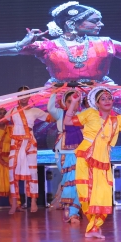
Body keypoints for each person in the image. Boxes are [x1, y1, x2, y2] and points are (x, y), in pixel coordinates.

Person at [64, 87, 121, 239]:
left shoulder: (117, 120)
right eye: (103, 99)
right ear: (97, 103)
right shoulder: (89, 113)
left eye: (109, 98)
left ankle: (94, 227)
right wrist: (73, 103)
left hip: (102, 159)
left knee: (102, 193)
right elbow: (68, 121)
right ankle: (92, 226)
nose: (107, 101)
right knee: (86, 193)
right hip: (85, 157)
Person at [6, 86, 51, 214]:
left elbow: (50, 118)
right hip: (16, 144)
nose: (24, 97)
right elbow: (2, 121)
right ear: (18, 96)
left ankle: (33, 202)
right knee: (12, 173)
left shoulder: (35, 111)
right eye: (21, 95)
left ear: (30, 96)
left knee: (32, 173)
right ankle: (14, 203)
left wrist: (56, 107)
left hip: (30, 143)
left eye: (26, 94)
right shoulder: (12, 111)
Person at [47, 88, 84, 223]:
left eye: (76, 101)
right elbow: (50, 108)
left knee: (76, 180)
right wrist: (54, 92)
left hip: (78, 151)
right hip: (61, 151)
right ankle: (71, 207)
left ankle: (72, 210)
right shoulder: (60, 113)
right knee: (67, 179)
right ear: (64, 102)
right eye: (69, 101)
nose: (73, 103)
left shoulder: (82, 114)